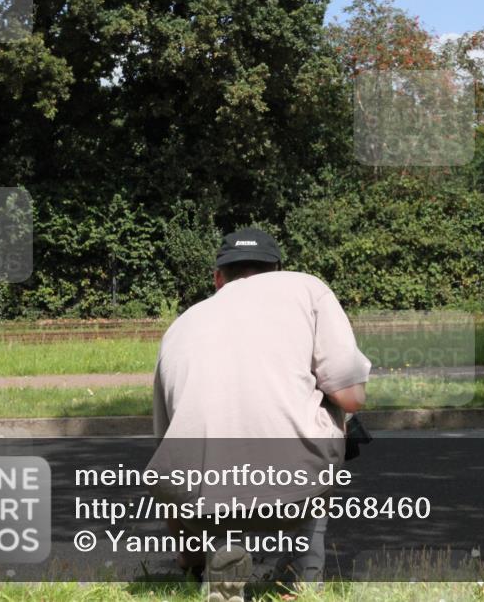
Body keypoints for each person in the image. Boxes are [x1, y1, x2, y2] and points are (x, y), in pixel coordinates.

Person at [149, 227, 370, 602]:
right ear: (277, 270)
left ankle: (215, 556)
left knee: (187, 449)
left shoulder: (181, 325)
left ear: (218, 279)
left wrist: (188, 556)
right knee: (333, 406)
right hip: (295, 488)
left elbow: (166, 445)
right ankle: (303, 574)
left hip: (203, 498)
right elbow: (351, 398)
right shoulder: (306, 289)